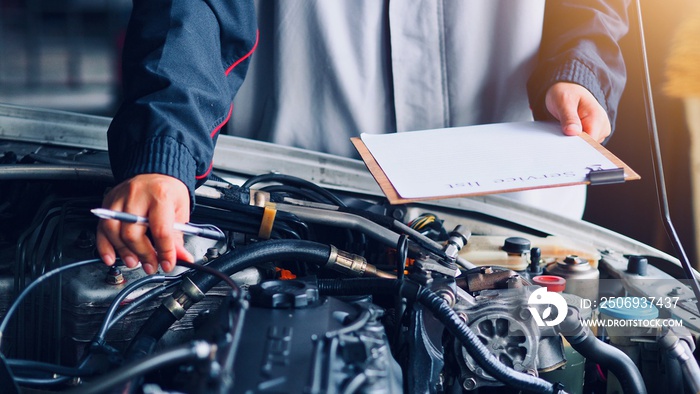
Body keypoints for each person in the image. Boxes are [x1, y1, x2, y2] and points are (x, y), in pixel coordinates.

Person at [97, 0, 630, 275]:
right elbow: (194, 10)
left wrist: (581, 66)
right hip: (304, 211)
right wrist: (164, 149)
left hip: (517, 226)